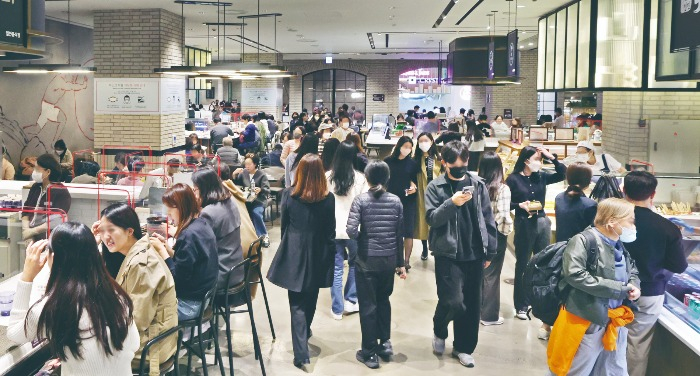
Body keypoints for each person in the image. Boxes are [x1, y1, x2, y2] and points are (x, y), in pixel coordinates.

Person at [7, 223, 140, 375]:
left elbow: (14, 334)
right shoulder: (116, 296)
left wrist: (27, 277)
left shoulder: (53, 307)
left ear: (53, 257)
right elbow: (134, 345)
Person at [547, 198, 641, 376]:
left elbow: (632, 269)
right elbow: (575, 275)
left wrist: (634, 286)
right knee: (575, 369)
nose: (633, 225)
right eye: (630, 220)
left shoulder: (618, 244)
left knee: (611, 370)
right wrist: (620, 288)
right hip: (585, 321)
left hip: (613, 321)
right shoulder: (583, 241)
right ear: (612, 221)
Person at [425, 141, 498, 368]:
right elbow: (432, 219)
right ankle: (439, 329)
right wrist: (451, 203)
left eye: (463, 164)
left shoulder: (477, 185)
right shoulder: (435, 187)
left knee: (473, 304)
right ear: (444, 163)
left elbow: (488, 219)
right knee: (453, 301)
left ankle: (464, 348)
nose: (460, 168)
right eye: (455, 165)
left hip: (475, 253)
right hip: (447, 253)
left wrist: (491, 250)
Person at [267, 154, 336, 369]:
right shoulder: (328, 198)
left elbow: (284, 225)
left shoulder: (289, 195)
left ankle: (301, 353)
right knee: (312, 295)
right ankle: (304, 335)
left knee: (296, 302)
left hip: (295, 250)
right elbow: (330, 229)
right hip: (319, 251)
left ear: (301, 172)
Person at [92, 203, 177, 374]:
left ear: (130, 231)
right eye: (102, 230)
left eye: (111, 230)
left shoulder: (141, 264)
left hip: (151, 348)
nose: (106, 236)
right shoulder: (135, 251)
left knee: (85, 352)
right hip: (154, 338)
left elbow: (136, 321)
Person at [623, 172, 688, 376]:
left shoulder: (610, 221)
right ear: (653, 194)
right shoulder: (667, 228)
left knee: (605, 338)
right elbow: (679, 266)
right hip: (649, 293)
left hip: (610, 290)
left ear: (623, 191)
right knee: (637, 345)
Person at [346, 161, 407, 368]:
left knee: (368, 306)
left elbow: (351, 231)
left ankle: (369, 352)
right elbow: (400, 234)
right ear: (387, 178)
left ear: (367, 178)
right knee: (384, 300)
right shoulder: (396, 201)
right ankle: (386, 343)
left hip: (367, 260)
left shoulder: (360, 201)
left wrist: (365, 238)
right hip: (388, 260)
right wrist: (400, 263)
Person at [506, 146, 566, 325]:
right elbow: (505, 202)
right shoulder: (513, 179)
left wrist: (551, 157)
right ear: (526, 161)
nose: (539, 162)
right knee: (523, 264)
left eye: (540, 160)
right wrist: (519, 205)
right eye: (536, 159)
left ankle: (539, 303)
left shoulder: (541, 176)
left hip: (542, 223)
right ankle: (521, 305)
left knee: (543, 264)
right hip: (524, 224)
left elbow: (563, 173)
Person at [149, 184, 218, 321]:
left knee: (144, 308)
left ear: (181, 207)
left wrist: (163, 252)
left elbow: (177, 280)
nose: (168, 213)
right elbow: (190, 261)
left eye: (170, 208)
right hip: (203, 298)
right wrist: (169, 250)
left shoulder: (188, 235)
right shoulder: (201, 224)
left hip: (189, 305)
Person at [327, 141, 368, 321]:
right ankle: (351, 300)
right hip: (354, 228)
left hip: (333, 228)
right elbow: (364, 204)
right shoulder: (360, 178)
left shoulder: (328, 177)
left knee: (336, 268)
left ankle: (336, 309)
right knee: (354, 264)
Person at [192, 167, 245, 288]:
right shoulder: (230, 201)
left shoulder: (208, 212)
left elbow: (199, 249)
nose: (194, 195)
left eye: (195, 190)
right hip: (235, 268)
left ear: (204, 189)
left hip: (221, 274)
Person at [478, 152, 513, 327]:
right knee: (492, 275)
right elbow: (503, 215)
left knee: (478, 273)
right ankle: (489, 316)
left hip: (476, 235)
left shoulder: (476, 185)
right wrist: (505, 231)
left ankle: (475, 311)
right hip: (495, 237)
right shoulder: (502, 188)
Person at [384, 136, 419, 270]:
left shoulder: (412, 163)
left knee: (408, 231)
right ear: (399, 146)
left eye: (410, 147)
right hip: (391, 200)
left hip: (408, 200)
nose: (407, 150)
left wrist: (414, 187)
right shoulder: (388, 161)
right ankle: (395, 260)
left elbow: (415, 181)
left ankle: (406, 260)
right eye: (405, 146)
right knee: (393, 231)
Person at [22, 154, 72, 241]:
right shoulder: (35, 187)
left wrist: (33, 231)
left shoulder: (61, 192)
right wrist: (26, 230)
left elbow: (57, 219)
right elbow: (26, 210)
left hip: (50, 239)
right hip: (31, 237)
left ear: (48, 172)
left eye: (37, 169)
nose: (34, 171)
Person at [414, 132, 441, 261]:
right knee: (423, 222)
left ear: (431, 141)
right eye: (421, 141)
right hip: (421, 193)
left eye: (426, 140)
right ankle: (425, 247)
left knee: (437, 222)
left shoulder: (439, 159)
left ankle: (435, 248)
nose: (423, 143)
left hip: (437, 195)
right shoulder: (415, 159)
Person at [233, 154, 271, 247]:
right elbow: (237, 185)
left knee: (256, 213)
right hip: (246, 201)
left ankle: (264, 236)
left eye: (249, 164)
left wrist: (260, 189)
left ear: (255, 164)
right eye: (246, 164)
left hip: (258, 200)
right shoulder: (243, 173)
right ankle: (246, 237)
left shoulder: (261, 174)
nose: (247, 166)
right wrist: (234, 174)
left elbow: (267, 189)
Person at [555, 162, 598, 242]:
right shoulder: (590, 205)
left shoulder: (559, 198)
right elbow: (593, 233)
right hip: (580, 250)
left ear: (567, 178)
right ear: (588, 181)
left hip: (560, 247)